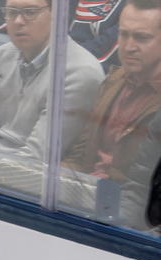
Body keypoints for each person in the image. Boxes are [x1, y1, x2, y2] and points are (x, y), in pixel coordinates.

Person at [0, 0, 104, 159]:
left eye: (30, 12)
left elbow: (37, 155)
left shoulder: (80, 73)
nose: (18, 21)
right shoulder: (2, 55)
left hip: (26, 171)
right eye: (12, 12)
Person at [62, 0, 161, 184]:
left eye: (142, 38)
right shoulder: (113, 80)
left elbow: (141, 188)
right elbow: (79, 157)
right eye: (123, 34)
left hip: (126, 198)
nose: (128, 46)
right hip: (83, 191)